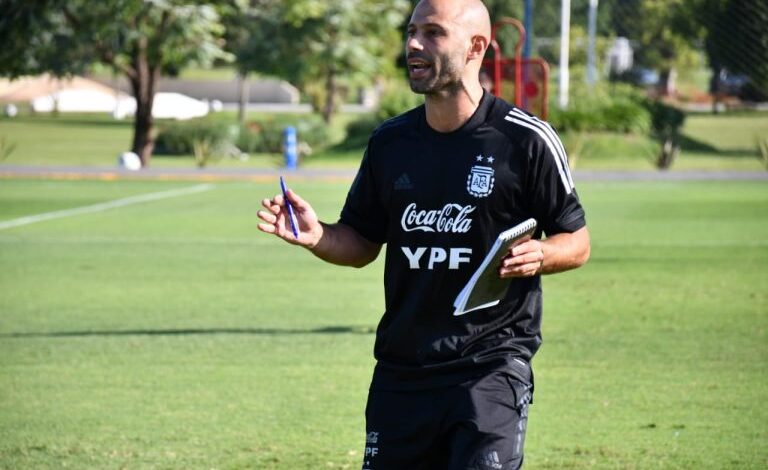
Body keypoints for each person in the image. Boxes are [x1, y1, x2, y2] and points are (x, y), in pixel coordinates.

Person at [257, 0, 590, 468]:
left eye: (433, 33)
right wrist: (318, 236)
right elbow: (361, 244)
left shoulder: (525, 140)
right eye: (411, 31)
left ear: (476, 47)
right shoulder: (390, 143)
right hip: (402, 373)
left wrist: (542, 254)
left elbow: (577, 241)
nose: (413, 44)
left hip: (488, 368)